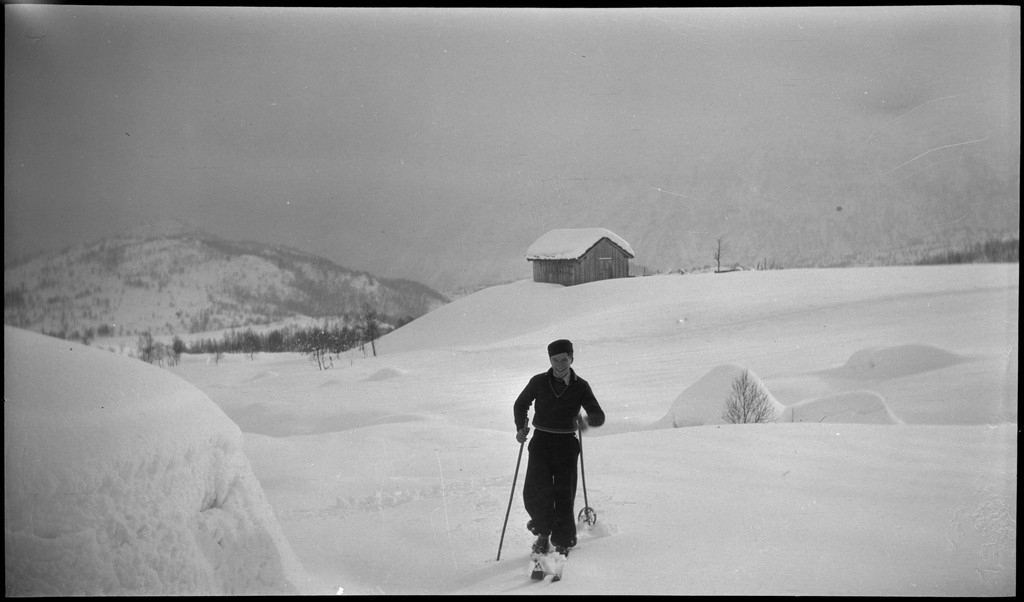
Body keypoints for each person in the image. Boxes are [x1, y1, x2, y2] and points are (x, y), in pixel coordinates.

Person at [514, 338, 605, 557]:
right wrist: (521, 427)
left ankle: (563, 540)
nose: (560, 364)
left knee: (564, 494)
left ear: (572, 358)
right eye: (555, 360)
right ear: (550, 360)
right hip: (541, 442)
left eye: (564, 359)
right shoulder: (538, 382)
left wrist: (584, 421)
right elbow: (520, 404)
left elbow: (598, 415)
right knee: (535, 492)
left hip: (566, 444)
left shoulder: (580, 386)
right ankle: (543, 533)